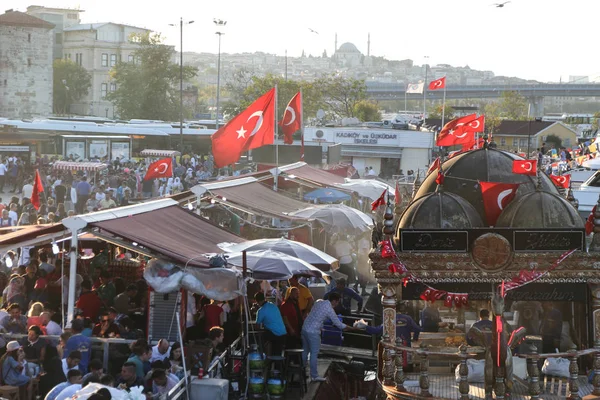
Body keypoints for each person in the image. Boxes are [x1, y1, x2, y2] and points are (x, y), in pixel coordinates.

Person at [301, 293, 356, 382]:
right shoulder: (329, 309)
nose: (337, 304)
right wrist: (353, 328)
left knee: (305, 351)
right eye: (338, 302)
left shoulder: (318, 302)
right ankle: (314, 376)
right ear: (334, 301)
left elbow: (316, 316)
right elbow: (339, 324)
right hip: (313, 332)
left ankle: (302, 371)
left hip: (305, 328)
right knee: (314, 354)